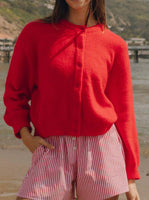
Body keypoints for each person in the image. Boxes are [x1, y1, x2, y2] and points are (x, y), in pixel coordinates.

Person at [3, 0, 141, 199]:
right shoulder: (35, 34)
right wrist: (25, 134)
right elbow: (15, 92)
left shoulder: (115, 45)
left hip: (101, 150)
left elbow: (125, 113)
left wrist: (130, 176)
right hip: (52, 147)